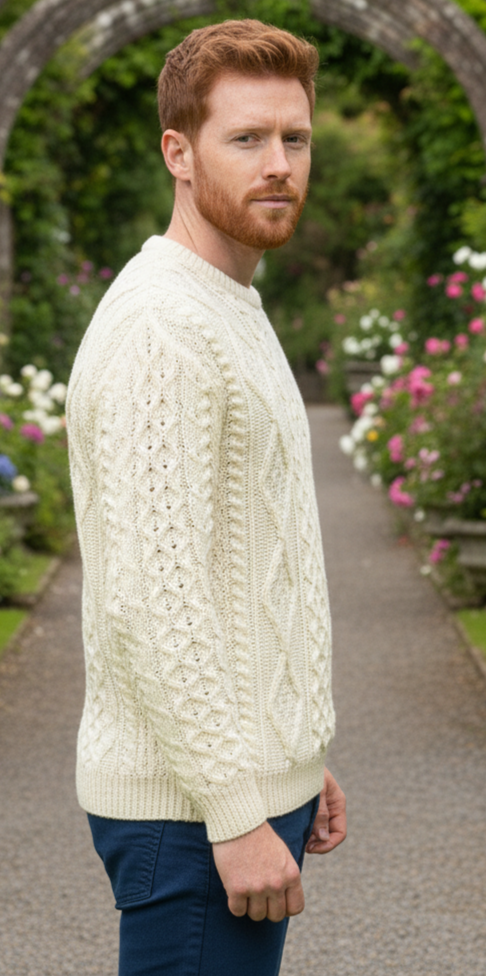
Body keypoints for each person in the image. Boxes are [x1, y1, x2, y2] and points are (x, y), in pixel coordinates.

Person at [66, 18, 346, 976]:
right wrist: (236, 806)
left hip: (234, 789)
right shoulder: (162, 329)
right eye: (247, 138)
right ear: (178, 153)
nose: (279, 165)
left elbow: (237, 560)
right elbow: (154, 600)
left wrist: (295, 751)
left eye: (295, 138)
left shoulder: (225, 301)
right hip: (189, 817)